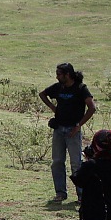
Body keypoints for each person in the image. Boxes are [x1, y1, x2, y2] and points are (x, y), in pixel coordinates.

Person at [39, 63, 96, 203]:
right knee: (57, 162)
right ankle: (60, 193)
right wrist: (53, 107)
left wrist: (79, 125)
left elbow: (91, 108)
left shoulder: (80, 88)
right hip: (59, 129)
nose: (57, 76)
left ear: (67, 75)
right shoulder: (58, 87)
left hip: (72, 131)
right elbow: (42, 94)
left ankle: (82, 195)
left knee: (76, 163)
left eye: (59, 74)